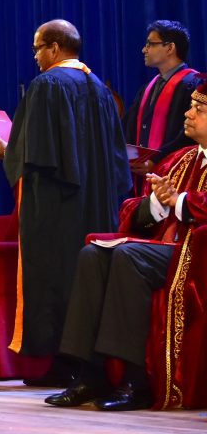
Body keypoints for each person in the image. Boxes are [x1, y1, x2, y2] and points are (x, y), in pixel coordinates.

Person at [46, 83, 207, 411]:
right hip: (163, 249)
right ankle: (90, 375)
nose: (188, 114)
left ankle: (136, 381)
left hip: (195, 254)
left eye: (199, 109)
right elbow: (134, 208)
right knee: (93, 254)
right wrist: (158, 204)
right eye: (191, 106)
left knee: (128, 256)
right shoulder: (180, 159)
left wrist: (178, 201)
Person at [0, 19, 131, 385]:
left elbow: (37, 153)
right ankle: (81, 363)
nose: (35, 57)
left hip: (57, 205)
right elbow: (117, 159)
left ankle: (64, 363)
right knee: (85, 279)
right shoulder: (100, 89)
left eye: (38, 49)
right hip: (97, 202)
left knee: (55, 278)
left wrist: (9, 152)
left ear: (55, 48)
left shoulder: (47, 85)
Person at [123, 20, 198, 175]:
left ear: (170, 48)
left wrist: (157, 160)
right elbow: (128, 125)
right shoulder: (148, 88)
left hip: (174, 175)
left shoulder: (194, 84)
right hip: (142, 174)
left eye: (150, 44)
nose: (144, 49)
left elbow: (191, 133)